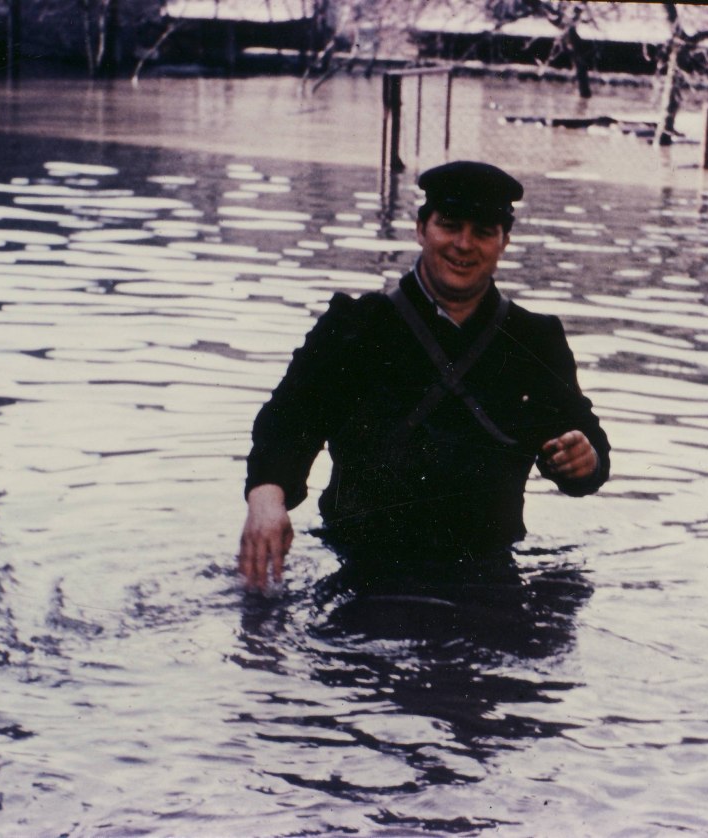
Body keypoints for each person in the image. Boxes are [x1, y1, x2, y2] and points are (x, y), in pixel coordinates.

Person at [238, 161, 610, 592]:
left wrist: (585, 462)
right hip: (359, 570)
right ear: (421, 228)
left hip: (487, 573)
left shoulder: (534, 339)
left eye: (484, 232)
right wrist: (267, 495)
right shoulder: (356, 326)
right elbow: (288, 421)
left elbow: (586, 447)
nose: (464, 245)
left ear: (504, 241)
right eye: (449, 225)